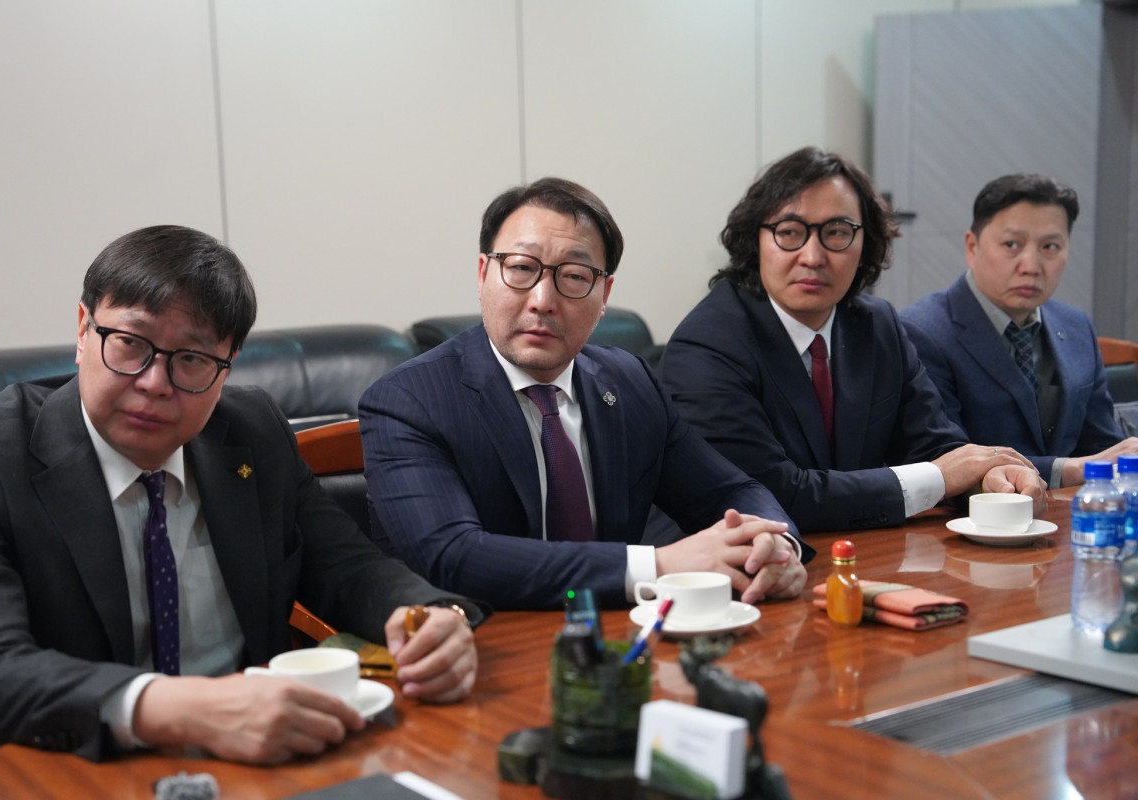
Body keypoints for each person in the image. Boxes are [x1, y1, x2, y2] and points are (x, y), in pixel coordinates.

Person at [0, 225, 481, 766]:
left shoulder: (252, 432)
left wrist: (429, 616)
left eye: (192, 359)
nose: (154, 382)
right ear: (84, 330)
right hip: (64, 766)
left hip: (256, 759)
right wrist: (179, 709)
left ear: (228, 365)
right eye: (130, 343)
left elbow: (347, 566)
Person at [359, 177, 812, 611]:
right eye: (521, 268)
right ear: (483, 275)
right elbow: (453, 556)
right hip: (479, 640)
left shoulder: (629, 381)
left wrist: (773, 546)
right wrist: (658, 566)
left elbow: (729, 490)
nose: (542, 300)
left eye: (574, 276)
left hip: (623, 636)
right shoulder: (408, 400)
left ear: (604, 294)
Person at [659, 147, 1047, 535]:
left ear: (866, 246)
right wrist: (941, 478)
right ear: (754, 241)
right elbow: (770, 495)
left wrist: (990, 481)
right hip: (735, 558)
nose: (813, 257)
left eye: (837, 233)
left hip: (857, 549)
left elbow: (934, 447)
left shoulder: (877, 325)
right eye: (789, 232)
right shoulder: (706, 345)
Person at [900, 174, 1138, 488]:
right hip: (973, 513)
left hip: (1071, 511)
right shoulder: (921, 332)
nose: (1031, 266)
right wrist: (1070, 469)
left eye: (1050, 247)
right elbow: (946, 459)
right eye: (1012, 245)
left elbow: (1103, 446)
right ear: (972, 246)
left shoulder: (1076, 325)